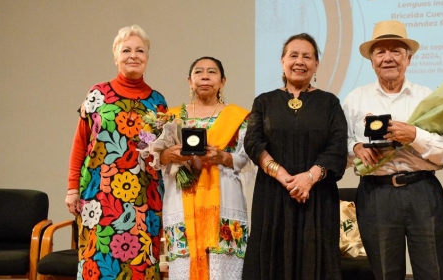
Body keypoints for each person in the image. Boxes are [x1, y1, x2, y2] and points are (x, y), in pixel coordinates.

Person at [342, 20, 443, 280]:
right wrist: (356, 147)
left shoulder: (428, 98)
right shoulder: (354, 100)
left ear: (409, 59)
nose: (388, 58)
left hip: (422, 191)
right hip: (375, 194)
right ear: (371, 61)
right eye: (380, 52)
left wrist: (414, 135)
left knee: (433, 272)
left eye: (396, 51)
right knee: (384, 273)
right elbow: (339, 148)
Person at [64, 24, 167, 279]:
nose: (133, 55)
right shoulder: (97, 94)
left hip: (144, 198)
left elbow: (156, 151)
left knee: (141, 265)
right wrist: (72, 188)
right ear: (115, 56)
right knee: (98, 264)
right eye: (126, 50)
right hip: (98, 195)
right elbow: (81, 143)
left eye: (140, 51)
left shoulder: (158, 103)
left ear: (147, 58)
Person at [243, 33, 348, 280]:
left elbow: (336, 148)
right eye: (293, 55)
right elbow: (253, 142)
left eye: (307, 56)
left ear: (316, 65)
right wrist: (283, 176)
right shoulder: (264, 101)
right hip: (273, 197)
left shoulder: (330, 102)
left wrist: (309, 178)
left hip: (317, 198)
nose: (299, 61)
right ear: (282, 61)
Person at [157, 57, 252, 279]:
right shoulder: (171, 116)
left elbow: (247, 158)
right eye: (199, 72)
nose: (205, 76)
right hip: (182, 197)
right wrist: (169, 154)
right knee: (185, 264)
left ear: (223, 81)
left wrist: (223, 157)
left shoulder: (239, 117)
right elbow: (157, 158)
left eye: (212, 72)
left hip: (225, 197)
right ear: (190, 81)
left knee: (223, 267)